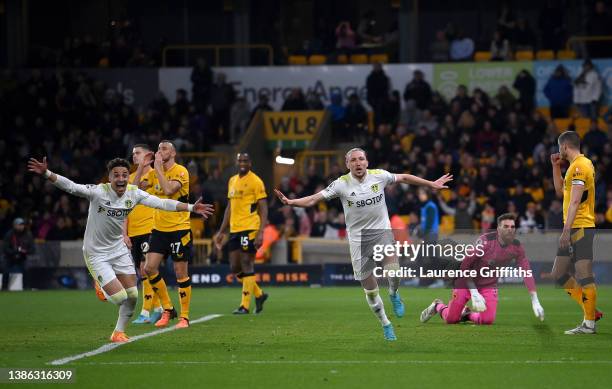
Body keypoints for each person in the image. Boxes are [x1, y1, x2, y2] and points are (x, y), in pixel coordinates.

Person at [27, 156, 213, 342]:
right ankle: (100, 284)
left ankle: (118, 332)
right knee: (119, 297)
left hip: (118, 250)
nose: (121, 178)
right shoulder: (99, 192)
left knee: (132, 295)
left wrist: (190, 207)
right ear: (109, 178)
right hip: (96, 253)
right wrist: (47, 173)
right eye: (116, 175)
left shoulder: (133, 193)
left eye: (124, 174)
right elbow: (71, 186)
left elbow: (163, 203)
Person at [274, 148, 453, 340]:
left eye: (361, 159)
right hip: (358, 241)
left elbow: (404, 178)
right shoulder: (341, 184)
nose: (358, 163)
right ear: (347, 164)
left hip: (381, 233)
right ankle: (386, 324)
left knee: (394, 272)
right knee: (371, 291)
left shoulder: (379, 176)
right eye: (353, 160)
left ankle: (394, 293)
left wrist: (431, 184)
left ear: (367, 162)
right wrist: (292, 202)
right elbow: (313, 199)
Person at [420, 213, 545, 325]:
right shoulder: (485, 242)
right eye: (506, 227)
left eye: (512, 227)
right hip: (466, 281)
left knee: (487, 320)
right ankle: (438, 305)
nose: (510, 230)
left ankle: (467, 314)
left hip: (488, 285)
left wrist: (535, 300)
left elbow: (527, 272)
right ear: (498, 229)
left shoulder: (517, 247)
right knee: (451, 319)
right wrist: (474, 292)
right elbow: (465, 265)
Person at [136, 141, 196, 329]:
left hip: (179, 228)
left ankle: (184, 318)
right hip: (159, 229)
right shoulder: (153, 173)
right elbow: (133, 189)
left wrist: (158, 168)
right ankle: (168, 309)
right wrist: (141, 166)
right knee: (149, 268)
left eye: (164, 149)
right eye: (159, 149)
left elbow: (169, 190)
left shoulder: (181, 171)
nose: (160, 152)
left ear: (174, 152)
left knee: (180, 273)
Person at [548, 131, 600, 334]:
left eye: (559, 147)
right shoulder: (576, 166)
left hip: (580, 227)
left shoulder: (579, 166)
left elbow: (576, 201)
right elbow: (561, 191)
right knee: (558, 273)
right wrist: (555, 167)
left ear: (564, 147)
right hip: (576, 226)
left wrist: (566, 230)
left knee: (584, 274)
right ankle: (591, 311)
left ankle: (589, 324)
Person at [214, 153, 269, 314]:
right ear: (237, 163)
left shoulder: (256, 181)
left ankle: (244, 305)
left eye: (245, 160)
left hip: (250, 226)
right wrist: (222, 231)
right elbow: (230, 208)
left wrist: (260, 232)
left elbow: (264, 208)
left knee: (246, 262)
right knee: (235, 266)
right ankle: (259, 294)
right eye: (240, 161)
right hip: (235, 229)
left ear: (250, 163)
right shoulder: (232, 180)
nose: (243, 163)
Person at [123, 144, 163, 324]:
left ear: (148, 155)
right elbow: (126, 204)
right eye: (133, 154)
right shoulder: (131, 178)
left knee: (147, 268)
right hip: (134, 231)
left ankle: (146, 312)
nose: (134, 156)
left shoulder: (156, 174)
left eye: (138, 153)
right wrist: (125, 234)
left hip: (151, 228)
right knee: (142, 270)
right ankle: (158, 308)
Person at [2, 218, 34, 291]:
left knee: (26, 269)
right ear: (14, 225)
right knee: (5, 270)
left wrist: (24, 251)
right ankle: (4, 288)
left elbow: (32, 249)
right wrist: (15, 251)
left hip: (22, 256)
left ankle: (26, 288)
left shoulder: (28, 234)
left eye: (22, 225)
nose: (21, 226)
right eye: (19, 225)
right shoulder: (9, 234)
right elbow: (5, 248)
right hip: (10, 257)